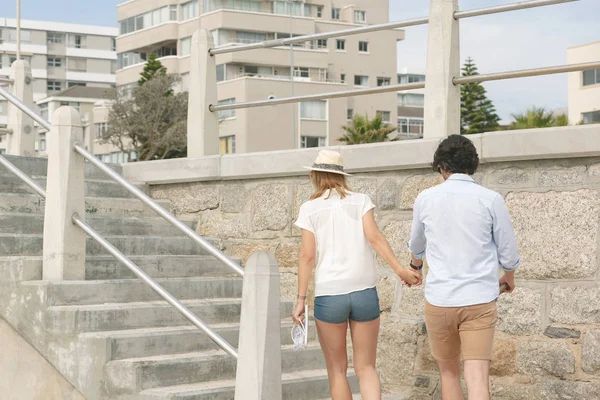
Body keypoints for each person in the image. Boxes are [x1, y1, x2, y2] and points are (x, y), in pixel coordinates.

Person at [292, 150, 422, 400]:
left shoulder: (309, 208)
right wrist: (400, 270)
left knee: (338, 371)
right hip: (364, 292)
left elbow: (307, 257)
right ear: (342, 176)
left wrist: (300, 300)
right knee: (367, 367)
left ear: (315, 175)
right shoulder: (361, 200)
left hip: (330, 295)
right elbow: (375, 238)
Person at [407, 135, 520, 400]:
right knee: (477, 376)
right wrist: (509, 276)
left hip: (440, 300)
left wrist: (416, 266)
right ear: (472, 165)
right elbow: (508, 252)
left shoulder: (425, 198)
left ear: (441, 166)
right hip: (479, 299)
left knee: (448, 374)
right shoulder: (490, 199)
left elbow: (417, 244)